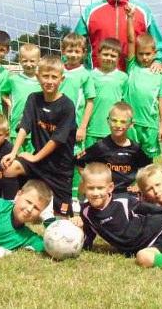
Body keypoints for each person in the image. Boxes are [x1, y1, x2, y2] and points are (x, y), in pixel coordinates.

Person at [2, 55, 77, 218]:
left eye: (54, 77)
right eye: (45, 76)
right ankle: (12, 209)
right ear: (38, 77)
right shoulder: (33, 99)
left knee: (62, 218)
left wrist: (34, 158)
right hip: (39, 163)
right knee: (10, 168)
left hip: (60, 168)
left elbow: (56, 140)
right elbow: (24, 127)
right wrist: (13, 152)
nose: (49, 81)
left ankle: (52, 210)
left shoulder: (67, 106)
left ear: (61, 79)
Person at [74, 0, 162, 71]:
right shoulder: (90, 11)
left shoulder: (143, 10)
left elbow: (158, 43)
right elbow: (74, 43)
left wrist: (158, 60)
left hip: (133, 76)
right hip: (98, 76)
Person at [77, 102, 152, 195]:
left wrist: (139, 185)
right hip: (106, 195)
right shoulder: (101, 146)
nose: (118, 125)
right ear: (108, 121)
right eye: (114, 120)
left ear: (131, 124)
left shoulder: (136, 149)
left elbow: (148, 169)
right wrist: (92, 182)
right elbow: (79, 161)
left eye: (123, 122)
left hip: (129, 195)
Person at [124, 6, 162, 158]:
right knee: (129, 158)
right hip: (132, 123)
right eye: (141, 54)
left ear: (154, 53)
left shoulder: (159, 73)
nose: (144, 57)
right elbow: (130, 40)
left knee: (147, 162)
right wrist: (130, 18)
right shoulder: (132, 67)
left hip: (150, 125)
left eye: (148, 54)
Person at [59, 33, 96, 205]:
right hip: (56, 125)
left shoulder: (85, 75)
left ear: (83, 53)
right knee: (57, 159)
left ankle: (75, 196)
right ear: (63, 51)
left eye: (77, 51)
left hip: (75, 127)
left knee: (77, 160)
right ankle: (57, 192)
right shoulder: (58, 71)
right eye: (69, 51)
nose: (73, 55)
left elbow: (90, 102)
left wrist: (82, 127)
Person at [85, 38, 128, 148]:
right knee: (91, 159)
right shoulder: (90, 76)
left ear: (118, 58)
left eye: (113, 56)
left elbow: (125, 105)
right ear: (98, 55)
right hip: (92, 130)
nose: (109, 58)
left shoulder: (123, 78)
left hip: (114, 130)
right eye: (105, 54)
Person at [0, 43, 41, 150]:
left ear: (38, 61)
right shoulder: (13, 80)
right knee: (16, 156)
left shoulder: (42, 82)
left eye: (32, 61)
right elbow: (3, 93)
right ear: (20, 60)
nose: (28, 64)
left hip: (36, 129)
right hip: (16, 126)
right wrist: (9, 102)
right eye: (25, 61)